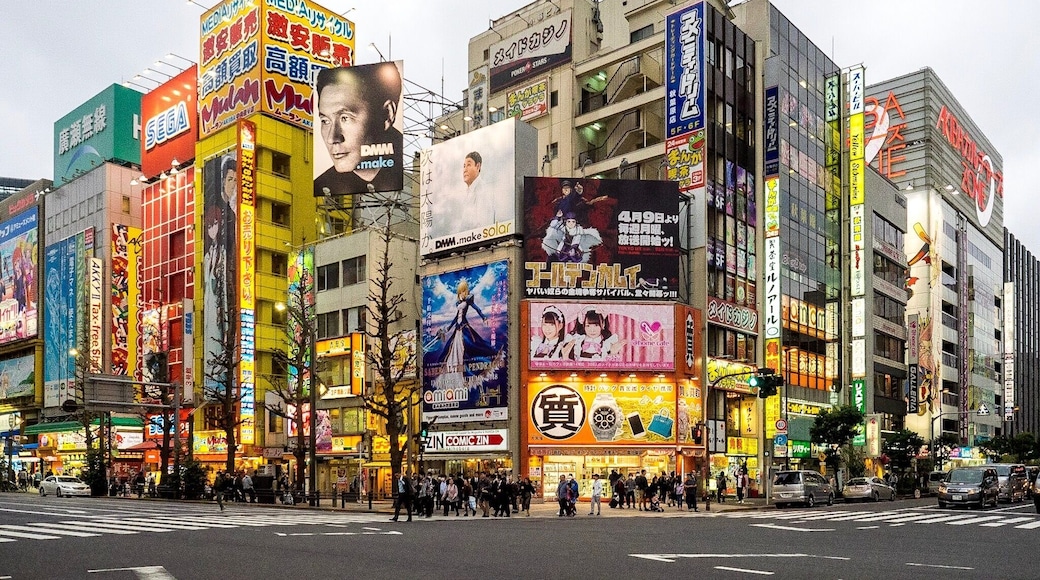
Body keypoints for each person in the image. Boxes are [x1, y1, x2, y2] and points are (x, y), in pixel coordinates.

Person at [314, 62, 404, 197]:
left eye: (345, 118)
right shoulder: (322, 186)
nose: (332, 138)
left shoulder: (413, 172)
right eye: (325, 121)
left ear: (387, 115)